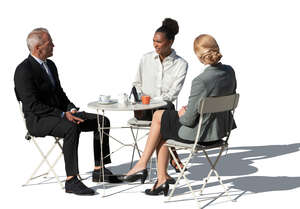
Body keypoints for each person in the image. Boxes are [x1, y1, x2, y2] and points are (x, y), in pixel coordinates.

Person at [122, 34, 237, 196]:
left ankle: (143, 164)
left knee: (159, 118)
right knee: (163, 124)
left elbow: (189, 120)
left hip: (200, 134)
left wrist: (184, 112)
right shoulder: (230, 72)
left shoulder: (201, 80)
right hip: (219, 131)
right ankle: (161, 178)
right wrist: (193, 107)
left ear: (198, 55)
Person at [14, 28, 121, 196]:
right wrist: (63, 115)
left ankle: (99, 169)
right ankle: (71, 180)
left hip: (60, 114)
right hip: (38, 120)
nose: (54, 46)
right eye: (50, 44)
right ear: (37, 48)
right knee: (71, 127)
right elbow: (32, 105)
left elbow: (60, 94)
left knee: (102, 121)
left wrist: (70, 108)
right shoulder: (23, 71)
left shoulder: (50, 65)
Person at [132, 18, 188, 174]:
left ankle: (148, 167)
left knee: (162, 117)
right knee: (163, 121)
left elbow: (172, 95)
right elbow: (136, 84)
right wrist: (143, 100)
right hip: (143, 110)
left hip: (164, 109)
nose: (155, 44)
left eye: (159, 42)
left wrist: (153, 102)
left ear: (170, 42)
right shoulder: (146, 58)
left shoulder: (181, 64)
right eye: (153, 41)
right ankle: (172, 160)